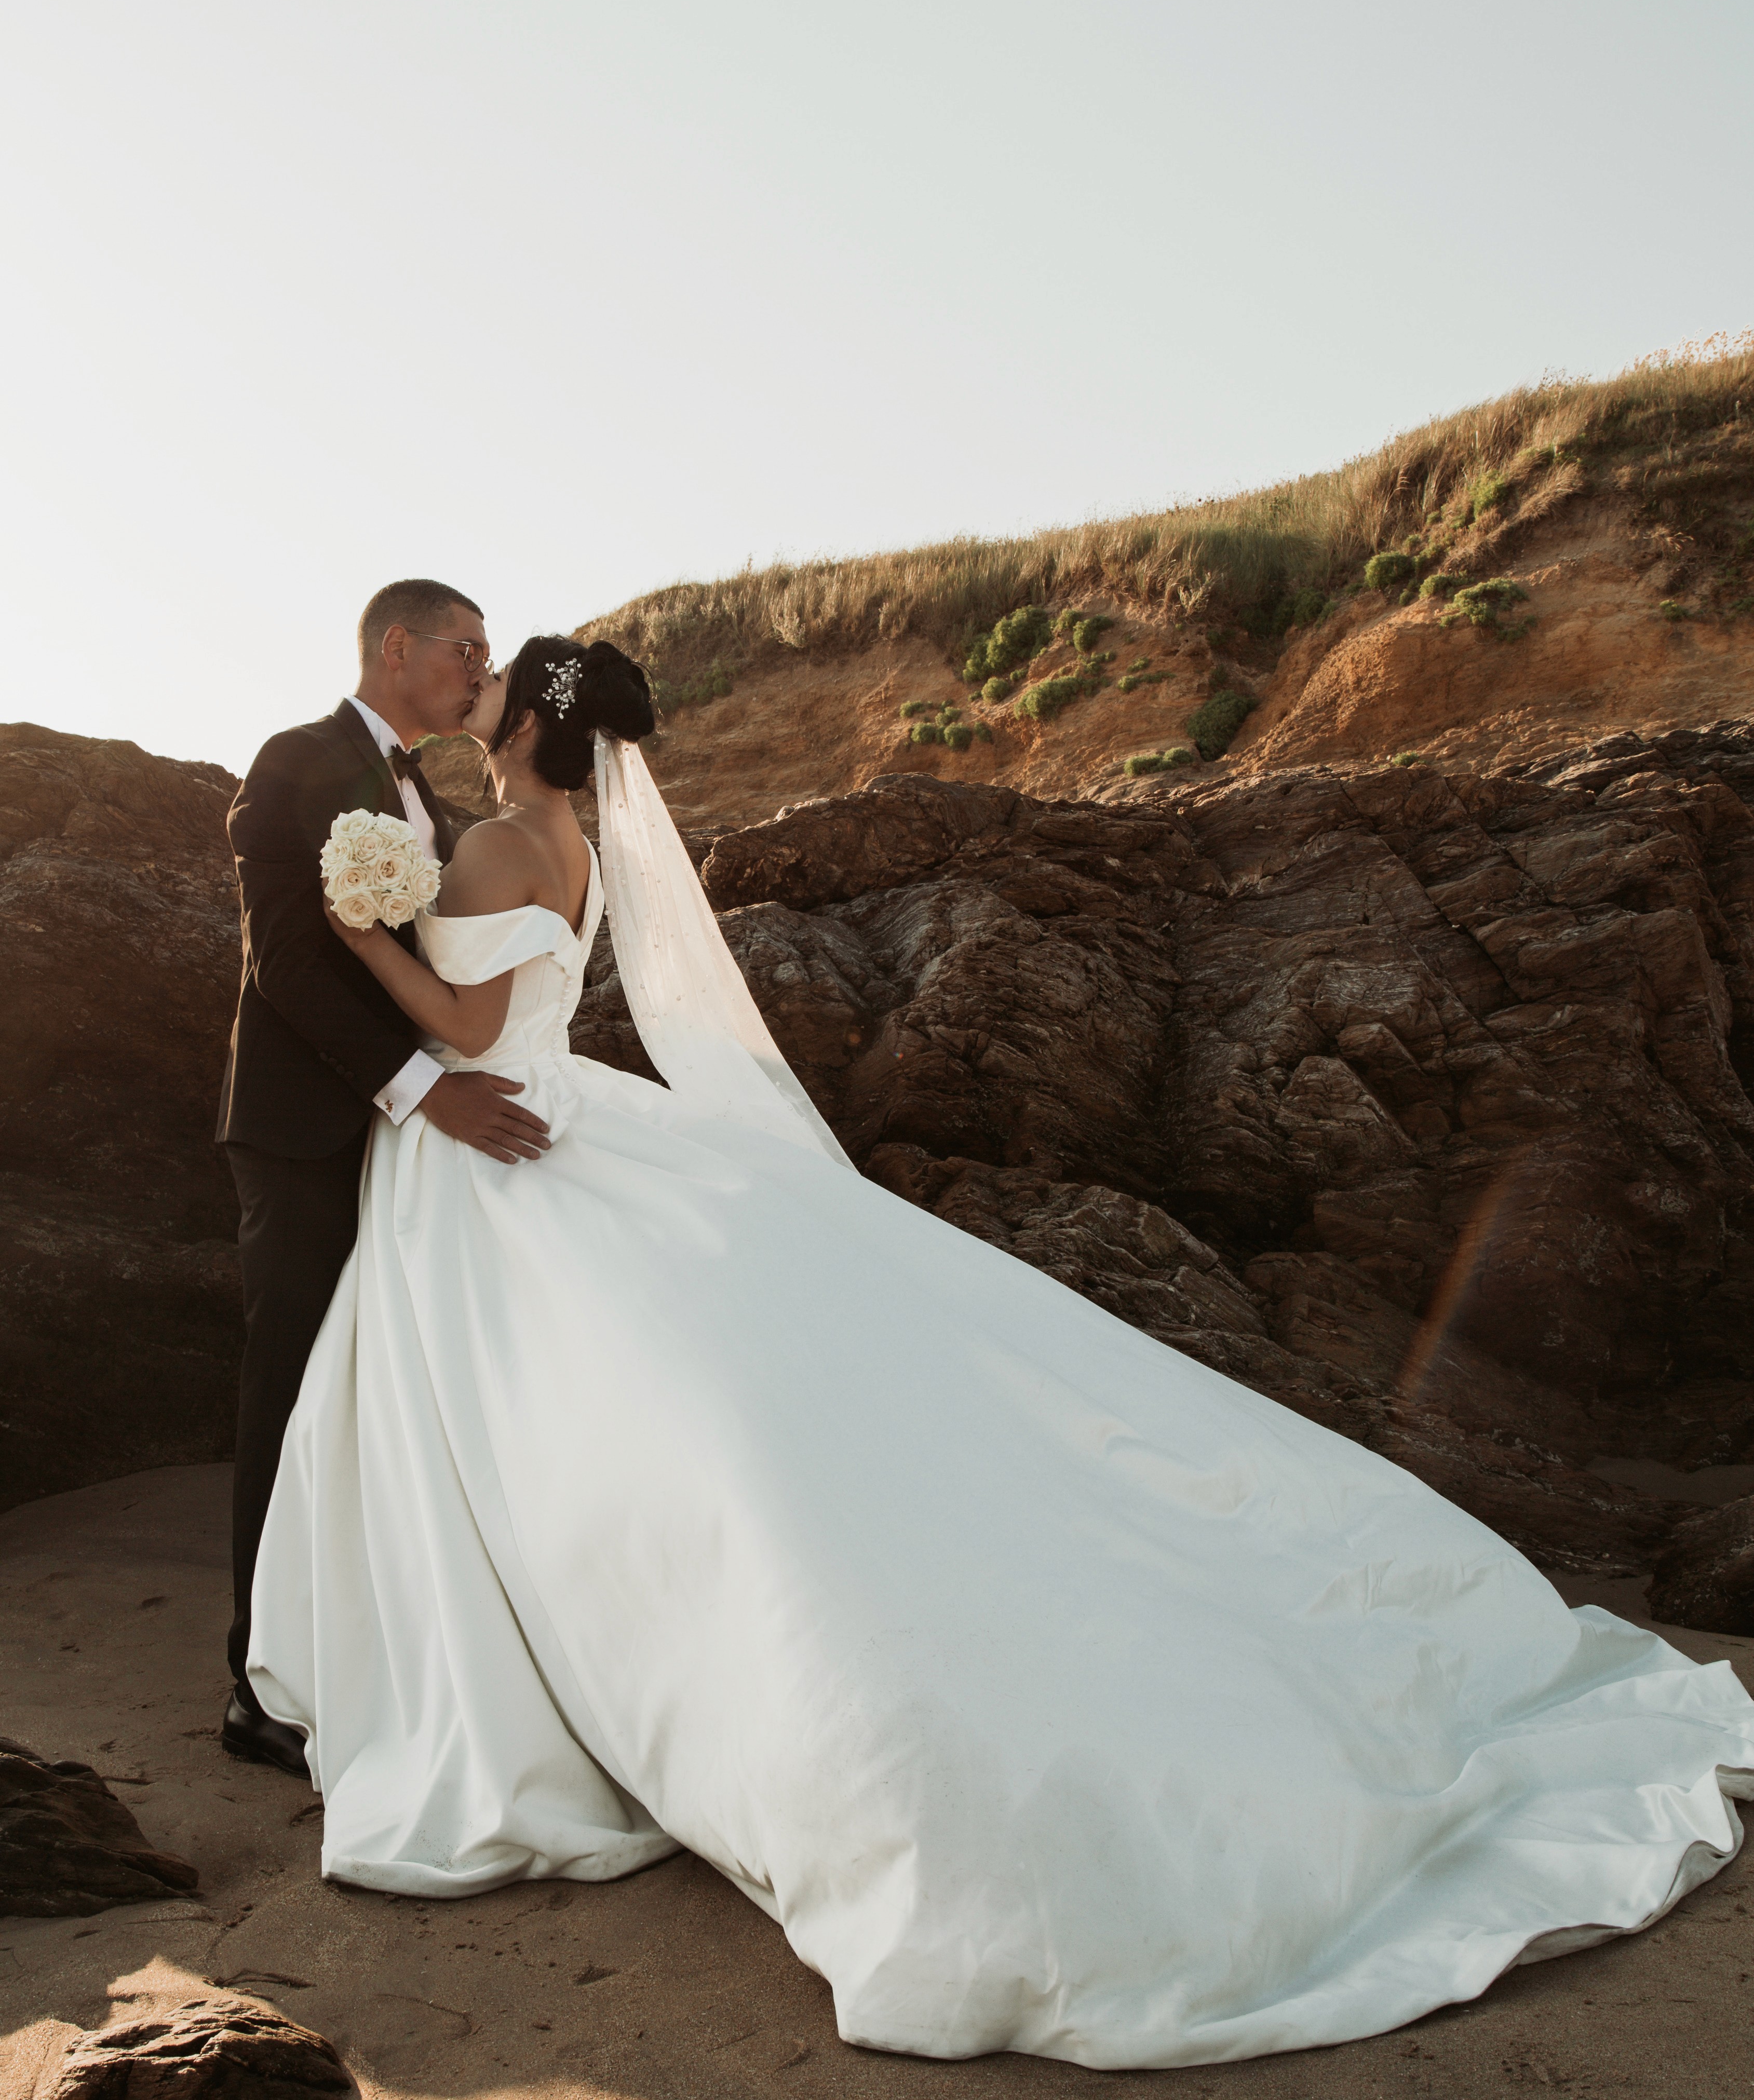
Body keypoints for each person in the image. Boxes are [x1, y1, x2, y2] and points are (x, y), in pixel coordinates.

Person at [246, 632, 1754, 2071]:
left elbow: (458, 1011)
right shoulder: (558, 842)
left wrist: (353, 932)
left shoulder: (502, 846)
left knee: (556, 1434)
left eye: (501, 671)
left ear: (528, 723)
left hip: (498, 1148)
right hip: (558, 1126)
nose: (483, 675)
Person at [215, 578, 552, 1775]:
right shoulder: (297, 761)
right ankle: (258, 1681)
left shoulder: (446, 789)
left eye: (489, 653)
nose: (480, 667)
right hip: (310, 1128)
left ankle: (367, 1650)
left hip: (409, 1145)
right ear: (395, 647)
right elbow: (289, 965)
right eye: (465, 648)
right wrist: (428, 1088)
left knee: (384, 1398)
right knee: (292, 1390)